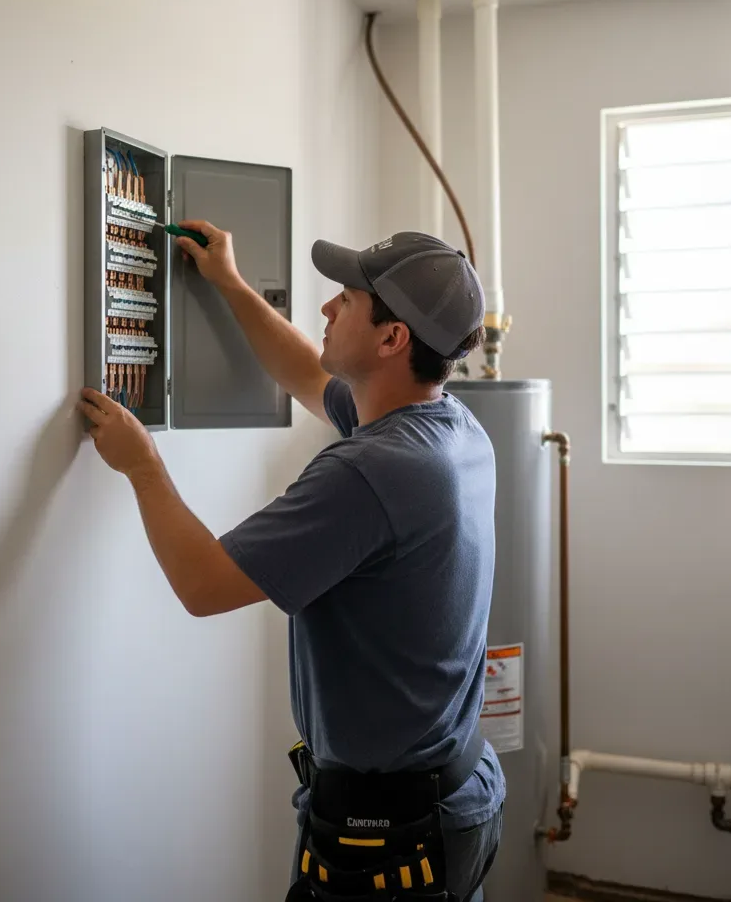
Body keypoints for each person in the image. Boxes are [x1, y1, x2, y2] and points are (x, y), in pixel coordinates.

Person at [79, 221, 504, 901]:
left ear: (392, 339)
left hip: (390, 832)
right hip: (454, 793)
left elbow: (202, 584)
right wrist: (231, 285)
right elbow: (308, 373)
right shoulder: (450, 427)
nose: (328, 308)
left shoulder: (372, 472)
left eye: (347, 299)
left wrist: (143, 465)